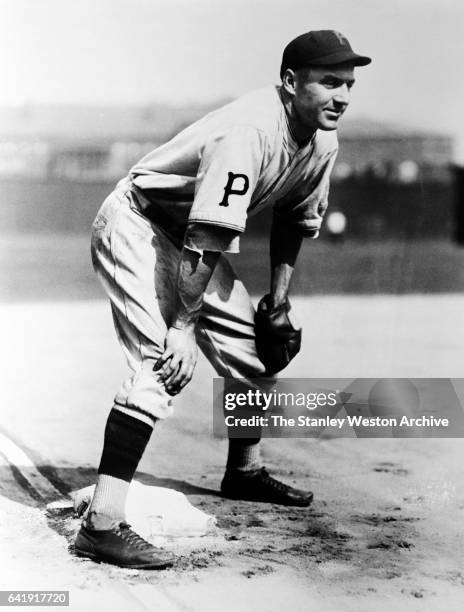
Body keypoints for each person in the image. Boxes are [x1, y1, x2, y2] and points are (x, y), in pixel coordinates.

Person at [74, 30, 371, 569]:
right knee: (159, 364)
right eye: (329, 81)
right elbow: (206, 239)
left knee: (255, 357)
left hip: (191, 241)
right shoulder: (250, 131)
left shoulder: (323, 141)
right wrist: (183, 328)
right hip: (137, 224)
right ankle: (101, 524)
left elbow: (293, 220)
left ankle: (244, 472)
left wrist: (277, 303)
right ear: (289, 82)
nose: (343, 96)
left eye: (349, 84)